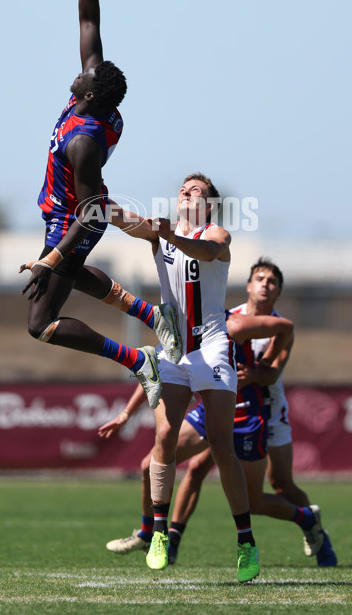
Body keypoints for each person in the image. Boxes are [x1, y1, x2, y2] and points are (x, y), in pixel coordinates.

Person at [101, 259, 337, 568]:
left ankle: (310, 523)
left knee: (278, 487)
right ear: (247, 285)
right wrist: (127, 412)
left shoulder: (247, 324)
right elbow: (162, 366)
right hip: (215, 409)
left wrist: (258, 370)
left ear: (278, 290)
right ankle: (161, 537)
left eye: (272, 281)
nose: (264, 285)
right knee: (167, 465)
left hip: (260, 410)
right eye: (259, 279)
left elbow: (274, 364)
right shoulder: (214, 319)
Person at [18, 0, 169, 410]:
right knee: (73, 273)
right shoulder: (92, 95)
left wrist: (52, 258)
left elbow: (89, 215)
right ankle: (152, 313)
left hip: (78, 218)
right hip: (70, 212)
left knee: (40, 323)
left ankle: (136, 360)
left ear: (85, 94)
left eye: (84, 72)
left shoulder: (84, 140)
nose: (81, 65)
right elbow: (89, 26)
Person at [108, 174, 260, 583]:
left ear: (208, 204)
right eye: (183, 189)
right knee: (164, 437)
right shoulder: (162, 232)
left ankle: (246, 541)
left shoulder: (216, 234)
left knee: (221, 444)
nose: (186, 193)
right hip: (175, 350)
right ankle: (158, 533)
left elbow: (207, 252)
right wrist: (94, 199)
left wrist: (168, 233)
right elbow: (122, 219)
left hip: (210, 347)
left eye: (196, 191)